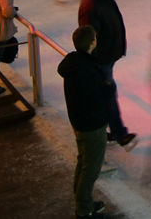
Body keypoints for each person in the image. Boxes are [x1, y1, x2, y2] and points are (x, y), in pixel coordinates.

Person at [77, 0, 138, 153]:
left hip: (108, 56)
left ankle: (105, 132)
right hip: (101, 59)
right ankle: (120, 135)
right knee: (108, 96)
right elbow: (89, 36)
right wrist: (95, 59)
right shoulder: (92, 4)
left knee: (105, 96)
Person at [59, 25, 110, 218]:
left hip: (80, 122)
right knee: (91, 168)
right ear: (92, 42)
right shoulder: (87, 70)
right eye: (95, 38)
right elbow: (95, 98)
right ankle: (83, 210)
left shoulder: (75, 63)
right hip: (91, 125)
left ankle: (84, 202)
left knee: (84, 162)